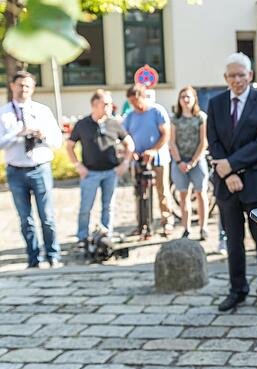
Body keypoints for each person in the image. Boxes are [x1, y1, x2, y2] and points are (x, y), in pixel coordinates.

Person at [208, 52, 257, 313]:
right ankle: (237, 290)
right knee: (233, 241)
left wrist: (232, 164)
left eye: (241, 75)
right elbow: (213, 141)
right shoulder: (215, 104)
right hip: (227, 184)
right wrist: (228, 173)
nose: (237, 80)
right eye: (232, 76)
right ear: (226, 78)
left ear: (250, 75)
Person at [0, 71, 63, 268]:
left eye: (27, 86)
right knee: (25, 219)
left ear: (33, 88)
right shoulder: (4, 113)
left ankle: (53, 256)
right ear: (12, 86)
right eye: (20, 85)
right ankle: (33, 259)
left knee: (47, 216)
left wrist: (42, 135)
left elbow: (57, 142)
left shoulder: (43, 111)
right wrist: (16, 133)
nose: (23, 89)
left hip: (40, 168)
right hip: (16, 170)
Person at [66, 90, 134, 247]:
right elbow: (69, 146)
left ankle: (106, 237)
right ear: (95, 105)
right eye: (106, 104)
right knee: (85, 207)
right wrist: (78, 165)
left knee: (108, 206)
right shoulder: (82, 124)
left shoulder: (114, 123)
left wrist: (125, 163)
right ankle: (82, 237)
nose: (110, 106)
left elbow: (129, 143)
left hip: (111, 172)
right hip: (90, 173)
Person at [123, 83, 174, 236]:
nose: (135, 105)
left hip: (158, 159)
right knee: (139, 192)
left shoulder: (157, 111)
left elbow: (166, 134)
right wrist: (130, 151)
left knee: (162, 190)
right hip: (139, 161)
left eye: (136, 101)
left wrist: (153, 150)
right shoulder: (130, 116)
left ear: (143, 97)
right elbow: (126, 137)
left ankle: (167, 222)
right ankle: (142, 223)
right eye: (131, 102)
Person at [169, 86, 210, 240]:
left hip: (197, 160)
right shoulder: (175, 118)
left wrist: (193, 161)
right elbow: (172, 142)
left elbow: (203, 141)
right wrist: (179, 161)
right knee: (183, 195)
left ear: (194, 99)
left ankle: (203, 227)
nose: (185, 100)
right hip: (180, 161)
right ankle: (186, 228)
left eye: (188, 97)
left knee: (201, 193)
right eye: (182, 97)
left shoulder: (200, 117)